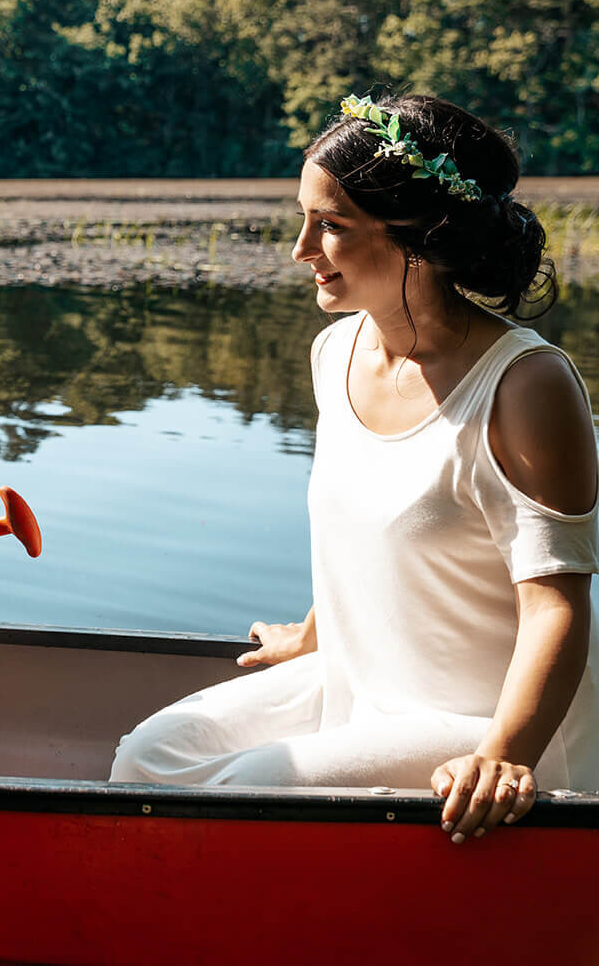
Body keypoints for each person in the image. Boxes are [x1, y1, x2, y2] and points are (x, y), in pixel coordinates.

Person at [111, 94, 598, 843]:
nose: (301, 247)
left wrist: (503, 754)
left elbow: (558, 604)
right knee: (146, 760)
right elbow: (362, 525)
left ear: (420, 238)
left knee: (238, 795)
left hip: (488, 724)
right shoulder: (334, 352)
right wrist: (312, 632)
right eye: (303, 218)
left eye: (331, 225)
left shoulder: (527, 383)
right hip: (360, 681)